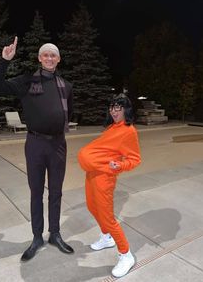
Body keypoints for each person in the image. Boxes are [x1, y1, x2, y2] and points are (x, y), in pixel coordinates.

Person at [0, 36, 74, 261]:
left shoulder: (66, 86)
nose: (49, 57)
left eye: (53, 54)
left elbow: (68, 112)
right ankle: (37, 237)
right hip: (36, 144)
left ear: (58, 59)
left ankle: (54, 234)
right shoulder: (27, 81)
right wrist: (4, 61)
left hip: (58, 145)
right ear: (39, 58)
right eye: (45, 54)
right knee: (36, 192)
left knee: (56, 192)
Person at [78, 93, 141, 278]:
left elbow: (135, 159)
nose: (114, 111)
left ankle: (126, 254)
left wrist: (120, 165)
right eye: (112, 107)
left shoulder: (129, 131)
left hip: (104, 177)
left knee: (107, 217)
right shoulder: (113, 127)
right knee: (91, 207)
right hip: (92, 173)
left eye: (118, 108)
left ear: (126, 110)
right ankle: (106, 238)